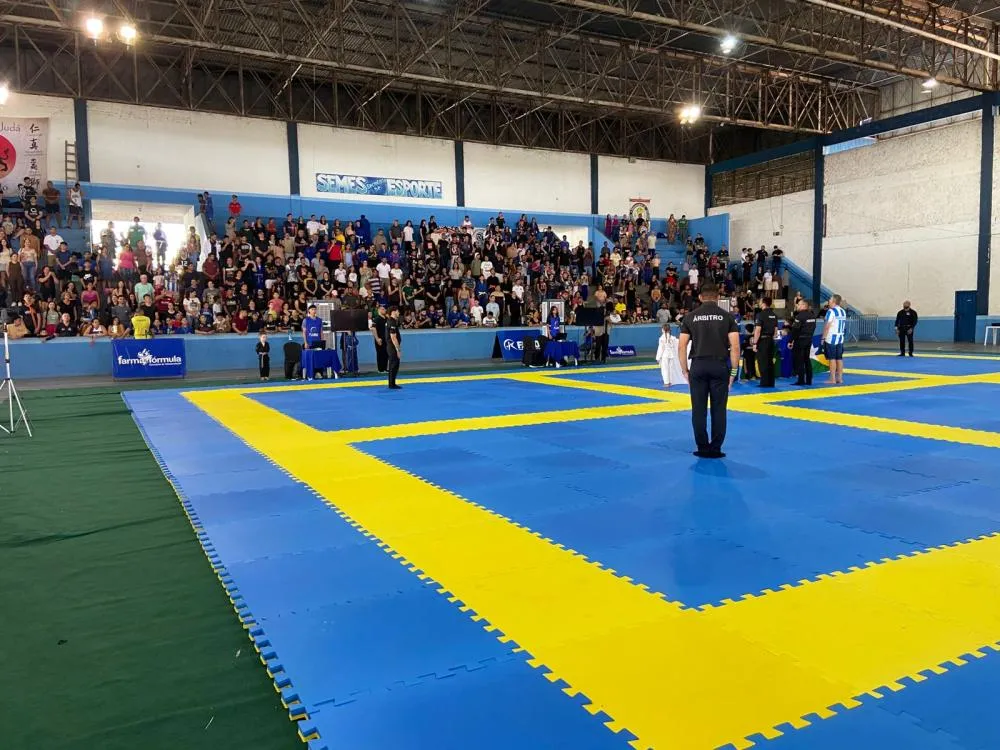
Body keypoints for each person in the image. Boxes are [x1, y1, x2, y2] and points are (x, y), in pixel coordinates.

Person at [678, 284, 740, 459]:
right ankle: (716, 448)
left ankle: (702, 447)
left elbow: (682, 346)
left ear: (700, 298)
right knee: (719, 409)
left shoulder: (690, 317)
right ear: (718, 297)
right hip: (719, 366)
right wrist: (733, 373)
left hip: (698, 365)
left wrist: (685, 371)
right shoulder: (727, 317)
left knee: (698, 409)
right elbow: (735, 347)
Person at [788, 298, 818, 386]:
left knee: (800, 360)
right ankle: (809, 380)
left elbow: (795, 330)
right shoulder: (812, 316)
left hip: (800, 340)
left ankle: (801, 380)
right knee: (807, 360)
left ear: (804, 305)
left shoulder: (800, 316)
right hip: (808, 339)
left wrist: (790, 341)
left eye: (799, 304)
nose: (797, 306)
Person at [753, 297, 778, 388]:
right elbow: (775, 330)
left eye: (760, 301)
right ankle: (771, 382)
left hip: (763, 340)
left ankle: (764, 383)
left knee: (762, 362)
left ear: (763, 303)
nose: (759, 303)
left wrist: (755, 343)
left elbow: (758, 330)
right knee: (770, 362)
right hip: (771, 340)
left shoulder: (760, 315)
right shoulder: (774, 315)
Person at [822, 294, 848, 384]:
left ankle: (832, 379)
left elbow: (827, 326)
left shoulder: (831, 311)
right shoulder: (843, 311)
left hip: (831, 338)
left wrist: (823, 337)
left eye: (830, 299)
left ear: (833, 301)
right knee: (839, 358)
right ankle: (840, 378)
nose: (828, 301)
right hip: (840, 338)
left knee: (832, 358)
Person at [655, 323, 686, 388]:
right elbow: (679, 343)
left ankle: (667, 383)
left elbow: (660, 349)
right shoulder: (673, 338)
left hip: (665, 356)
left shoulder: (662, 338)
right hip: (671, 356)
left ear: (663, 329)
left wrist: (658, 358)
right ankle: (671, 381)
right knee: (671, 369)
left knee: (665, 369)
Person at [387, 305, 402, 390]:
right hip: (392, 347)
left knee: (393, 365)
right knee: (394, 365)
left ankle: (392, 383)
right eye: (397, 311)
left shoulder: (390, 321)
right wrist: (398, 349)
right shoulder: (392, 322)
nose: (399, 313)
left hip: (391, 346)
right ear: (393, 312)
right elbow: (393, 337)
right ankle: (392, 384)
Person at [370, 304, 388, 373]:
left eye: (385, 309)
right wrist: (377, 338)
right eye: (383, 309)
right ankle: (380, 369)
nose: (384, 310)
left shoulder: (386, 319)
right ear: (379, 310)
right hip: (380, 339)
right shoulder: (376, 319)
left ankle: (385, 368)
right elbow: (373, 328)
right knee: (380, 354)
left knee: (386, 354)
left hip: (386, 339)